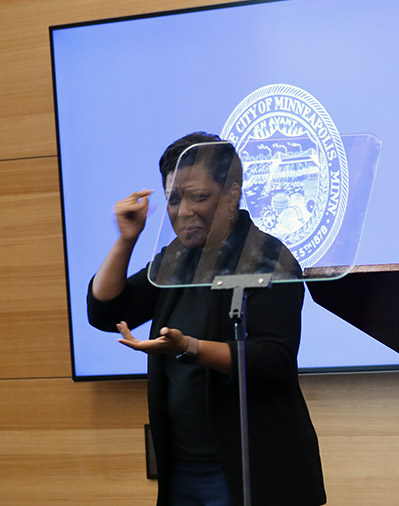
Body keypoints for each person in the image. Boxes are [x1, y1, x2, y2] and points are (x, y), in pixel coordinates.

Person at [88, 132, 327, 506]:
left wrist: (190, 347)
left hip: (253, 468)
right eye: (174, 199)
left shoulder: (269, 258)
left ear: (232, 194)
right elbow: (106, 311)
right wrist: (126, 240)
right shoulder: (177, 257)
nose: (184, 211)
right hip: (181, 465)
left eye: (199, 197)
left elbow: (272, 360)